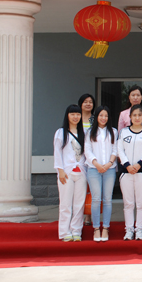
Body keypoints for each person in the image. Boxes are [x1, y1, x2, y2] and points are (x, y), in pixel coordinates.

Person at [118, 104, 142, 241]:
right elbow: (120, 150)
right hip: (126, 172)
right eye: (134, 115)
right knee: (128, 204)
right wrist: (127, 165)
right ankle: (129, 230)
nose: (137, 117)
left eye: (140, 115)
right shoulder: (123, 132)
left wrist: (139, 164)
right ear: (130, 117)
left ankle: (139, 230)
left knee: (140, 204)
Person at [53, 104, 87, 242]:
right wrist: (60, 170)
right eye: (72, 114)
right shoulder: (61, 132)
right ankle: (64, 232)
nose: (75, 117)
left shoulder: (84, 132)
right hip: (66, 172)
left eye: (78, 114)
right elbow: (57, 152)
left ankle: (76, 231)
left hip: (81, 173)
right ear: (67, 115)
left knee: (79, 204)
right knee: (66, 204)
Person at [85, 105, 118, 242]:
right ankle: (96, 228)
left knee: (107, 199)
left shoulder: (114, 131)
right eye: (101, 115)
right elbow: (87, 150)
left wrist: (109, 163)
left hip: (110, 169)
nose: (103, 118)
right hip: (94, 169)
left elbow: (115, 149)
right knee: (96, 199)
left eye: (106, 116)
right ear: (96, 117)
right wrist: (97, 164)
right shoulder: (90, 132)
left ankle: (106, 228)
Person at [77, 93, 95, 226]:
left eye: (90, 102)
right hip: (78, 156)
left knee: (91, 187)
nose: (88, 104)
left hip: (93, 156)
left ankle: (88, 215)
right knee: (79, 187)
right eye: (85, 102)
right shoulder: (76, 118)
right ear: (81, 104)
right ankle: (77, 215)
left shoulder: (95, 119)